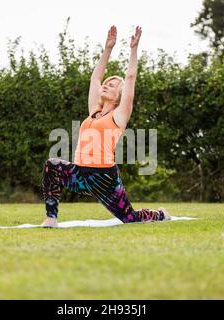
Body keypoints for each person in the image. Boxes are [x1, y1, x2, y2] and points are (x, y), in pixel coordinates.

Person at [41, 25, 170, 227]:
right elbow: (95, 78)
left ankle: (159, 214)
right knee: (52, 165)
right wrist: (108, 48)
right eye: (106, 83)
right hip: (79, 174)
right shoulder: (94, 110)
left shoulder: (119, 115)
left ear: (119, 95)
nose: (106, 85)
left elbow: (130, 78)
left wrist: (133, 49)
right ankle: (51, 217)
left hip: (104, 178)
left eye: (112, 85)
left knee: (130, 219)